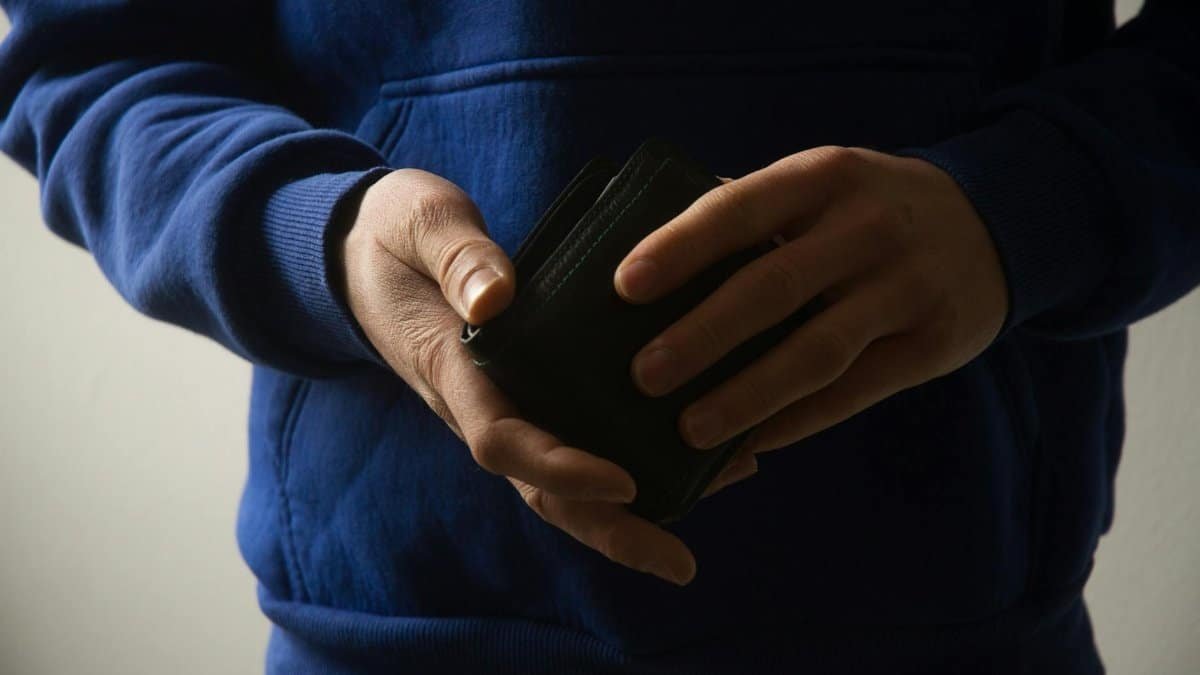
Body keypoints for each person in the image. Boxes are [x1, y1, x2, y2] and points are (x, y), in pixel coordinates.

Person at [1, 1, 1197, 673]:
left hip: (964, 634)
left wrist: (1025, 207)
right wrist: (320, 233)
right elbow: (94, 62)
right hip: (390, 639)